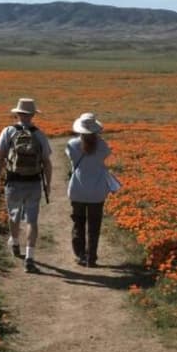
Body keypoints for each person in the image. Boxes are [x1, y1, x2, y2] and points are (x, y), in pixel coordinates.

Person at [0, 97, 53, 273]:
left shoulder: (8, 131)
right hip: (33, 182)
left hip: (13, 181)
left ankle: (15, 243)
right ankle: (30, 257)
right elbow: (47, 162)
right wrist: (48, 184)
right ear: (33, 114)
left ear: (18, 114)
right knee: (32, 220)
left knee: (14, 215)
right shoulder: (39, 134)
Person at [65, 112, 116, 268]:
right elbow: (104, 155)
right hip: (97, 191)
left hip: (78, 190)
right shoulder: (103, 146)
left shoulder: (72, 144)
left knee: (78, 223)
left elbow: (71, 158)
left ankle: (80, 255)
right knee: (94, 225)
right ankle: (91, 257)